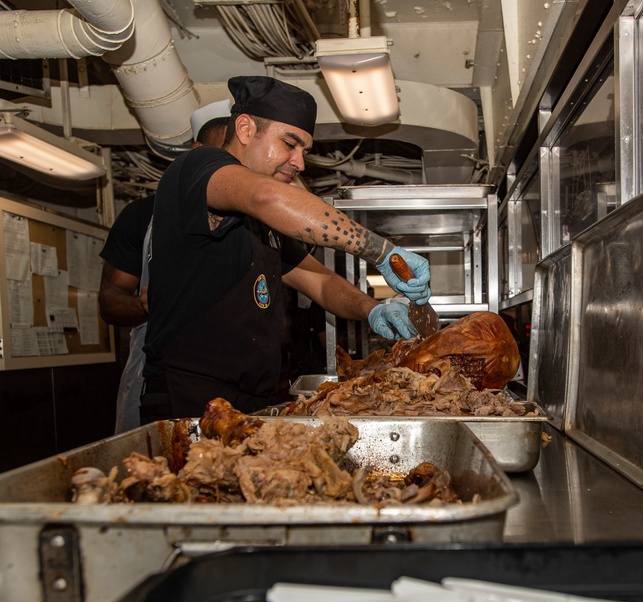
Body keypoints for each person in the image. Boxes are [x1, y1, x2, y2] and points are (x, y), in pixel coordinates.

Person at [139, 75, 429, 422]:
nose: (300, 162)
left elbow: (318, 281)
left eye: (304, 151)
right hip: (189, 401)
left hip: (251, 401)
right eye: (289, 144)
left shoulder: (264, 224)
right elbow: (264, 196)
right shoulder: (197, 169)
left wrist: (372, 310)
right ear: (245, 129)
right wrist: (381, 252)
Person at [99, 104, 231, 433]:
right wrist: (143, 304)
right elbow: (109, 300)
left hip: (231, 379)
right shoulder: (142, 216)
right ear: (198, 154)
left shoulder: (251, 221)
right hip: (161, 383)